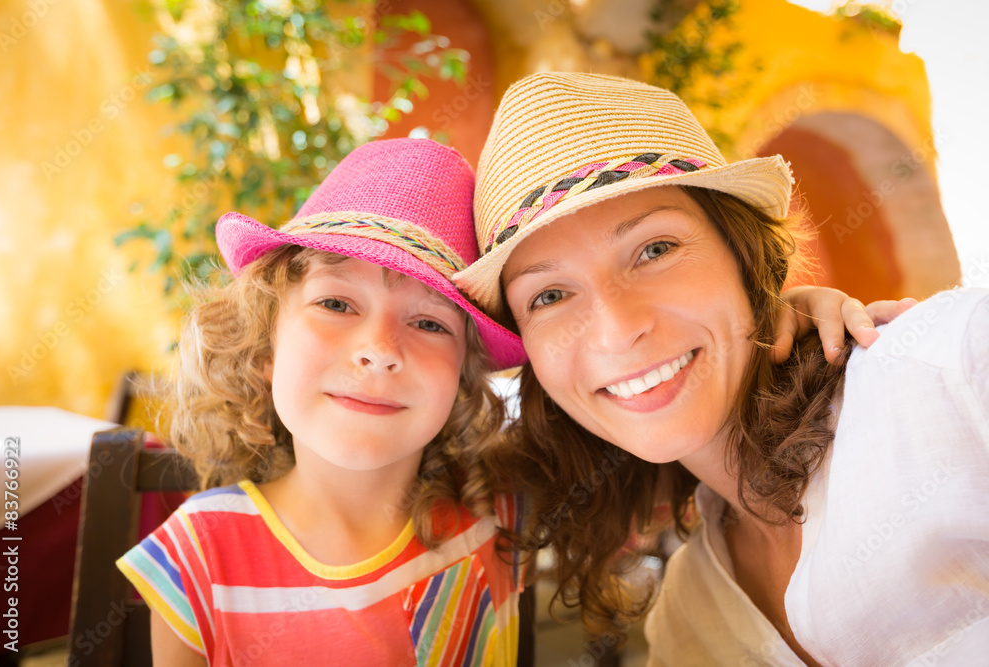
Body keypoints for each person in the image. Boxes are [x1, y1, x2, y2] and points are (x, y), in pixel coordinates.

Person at [454, 72, 988, 666]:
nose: (616, 329)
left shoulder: (943, 376)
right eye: (549, 296)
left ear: (745, 255)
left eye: (654, 250)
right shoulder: (690, 619)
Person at [116, 138, 530, 666]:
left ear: (462, 378)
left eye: (429, 323)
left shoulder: (497, 514)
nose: (379, 351)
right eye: (336, 303)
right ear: (264, 347)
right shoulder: (198, 555)